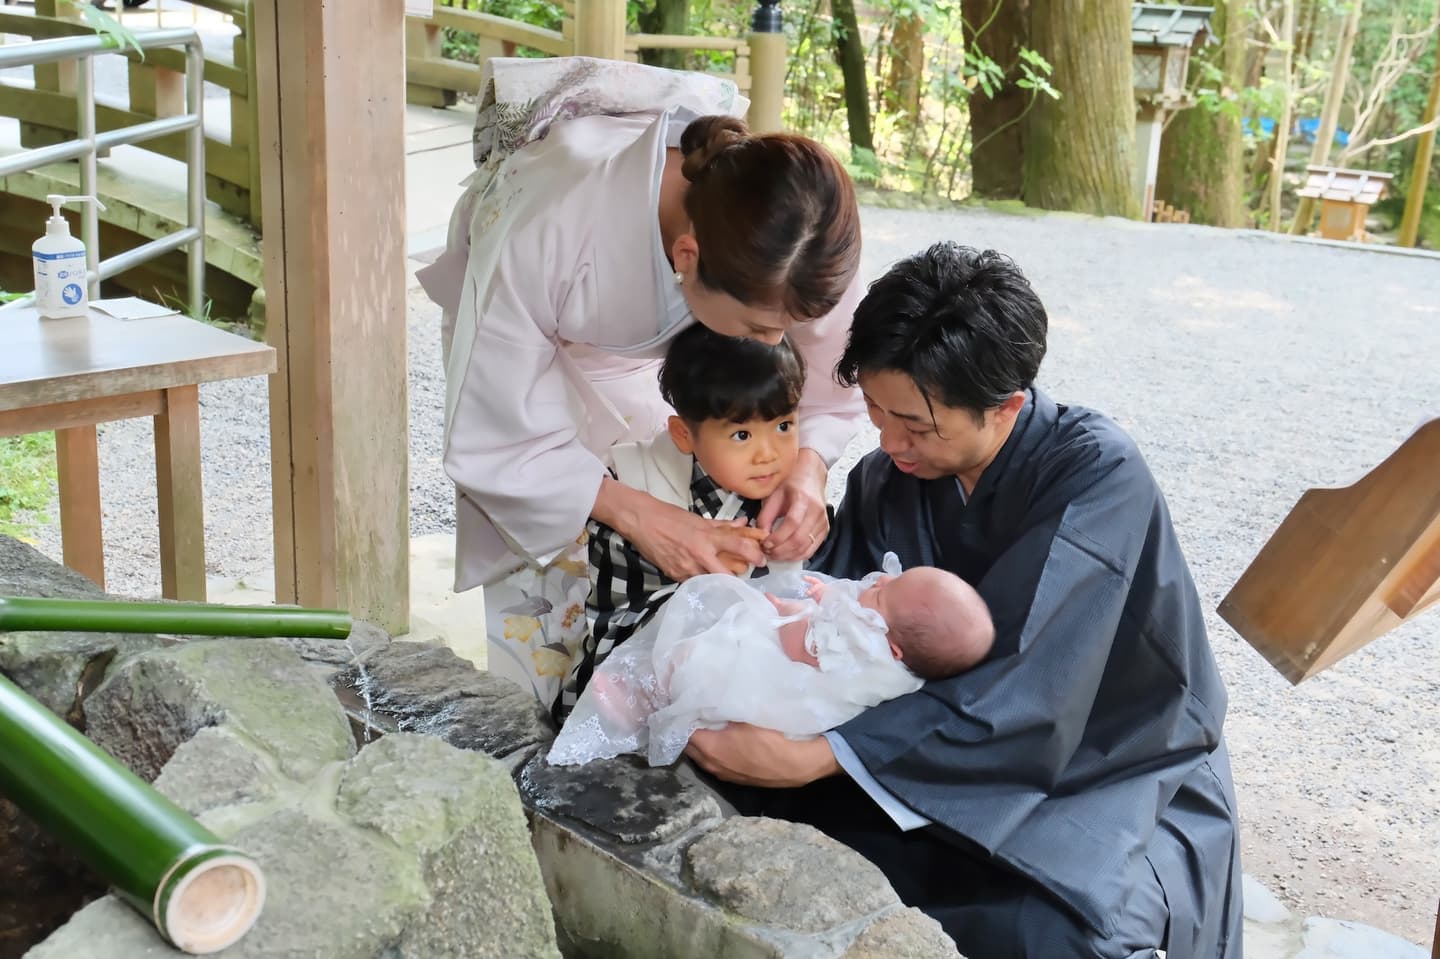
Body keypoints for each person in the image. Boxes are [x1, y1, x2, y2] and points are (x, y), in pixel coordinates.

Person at [684, 243, 1244, 959]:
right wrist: (780, 562)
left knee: (1057, 933)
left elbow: (1032, 683)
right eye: (878, 413)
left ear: (1004, 405)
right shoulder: (893, 476)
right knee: (765, 818)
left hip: (1111, 761)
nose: (888, 441)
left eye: (916, 425)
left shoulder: (1098, 474)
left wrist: (825, 756)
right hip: (930, 746)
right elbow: (835, 616)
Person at [415, 57, 866, 705]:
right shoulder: (552, 223)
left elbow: (828, 370)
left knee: (686, 517)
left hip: (648, 341)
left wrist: (809, 469)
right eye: (759, 328)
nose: (775, 347)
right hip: (540, 345)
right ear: (689, 258)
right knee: (566, 590)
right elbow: (498, 430)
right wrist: (637, 513)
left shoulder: (802, 230)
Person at [548, 553, 994, 767]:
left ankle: (643, 703)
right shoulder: (898, 668)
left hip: (781, 686)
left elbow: (804, 644)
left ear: (893, 648)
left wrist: (793, 608)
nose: (871, 587)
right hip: (806, 705)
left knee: (704, 652)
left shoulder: (866, 642)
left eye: (880, 594)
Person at [563, 324, 805, 715]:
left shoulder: (793, 498)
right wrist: (706, 588)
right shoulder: (632, 482)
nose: (769, 454)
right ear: (682, 434)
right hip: (635, 682)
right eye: (742, 435)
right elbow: (614, 619)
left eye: (783, 426)